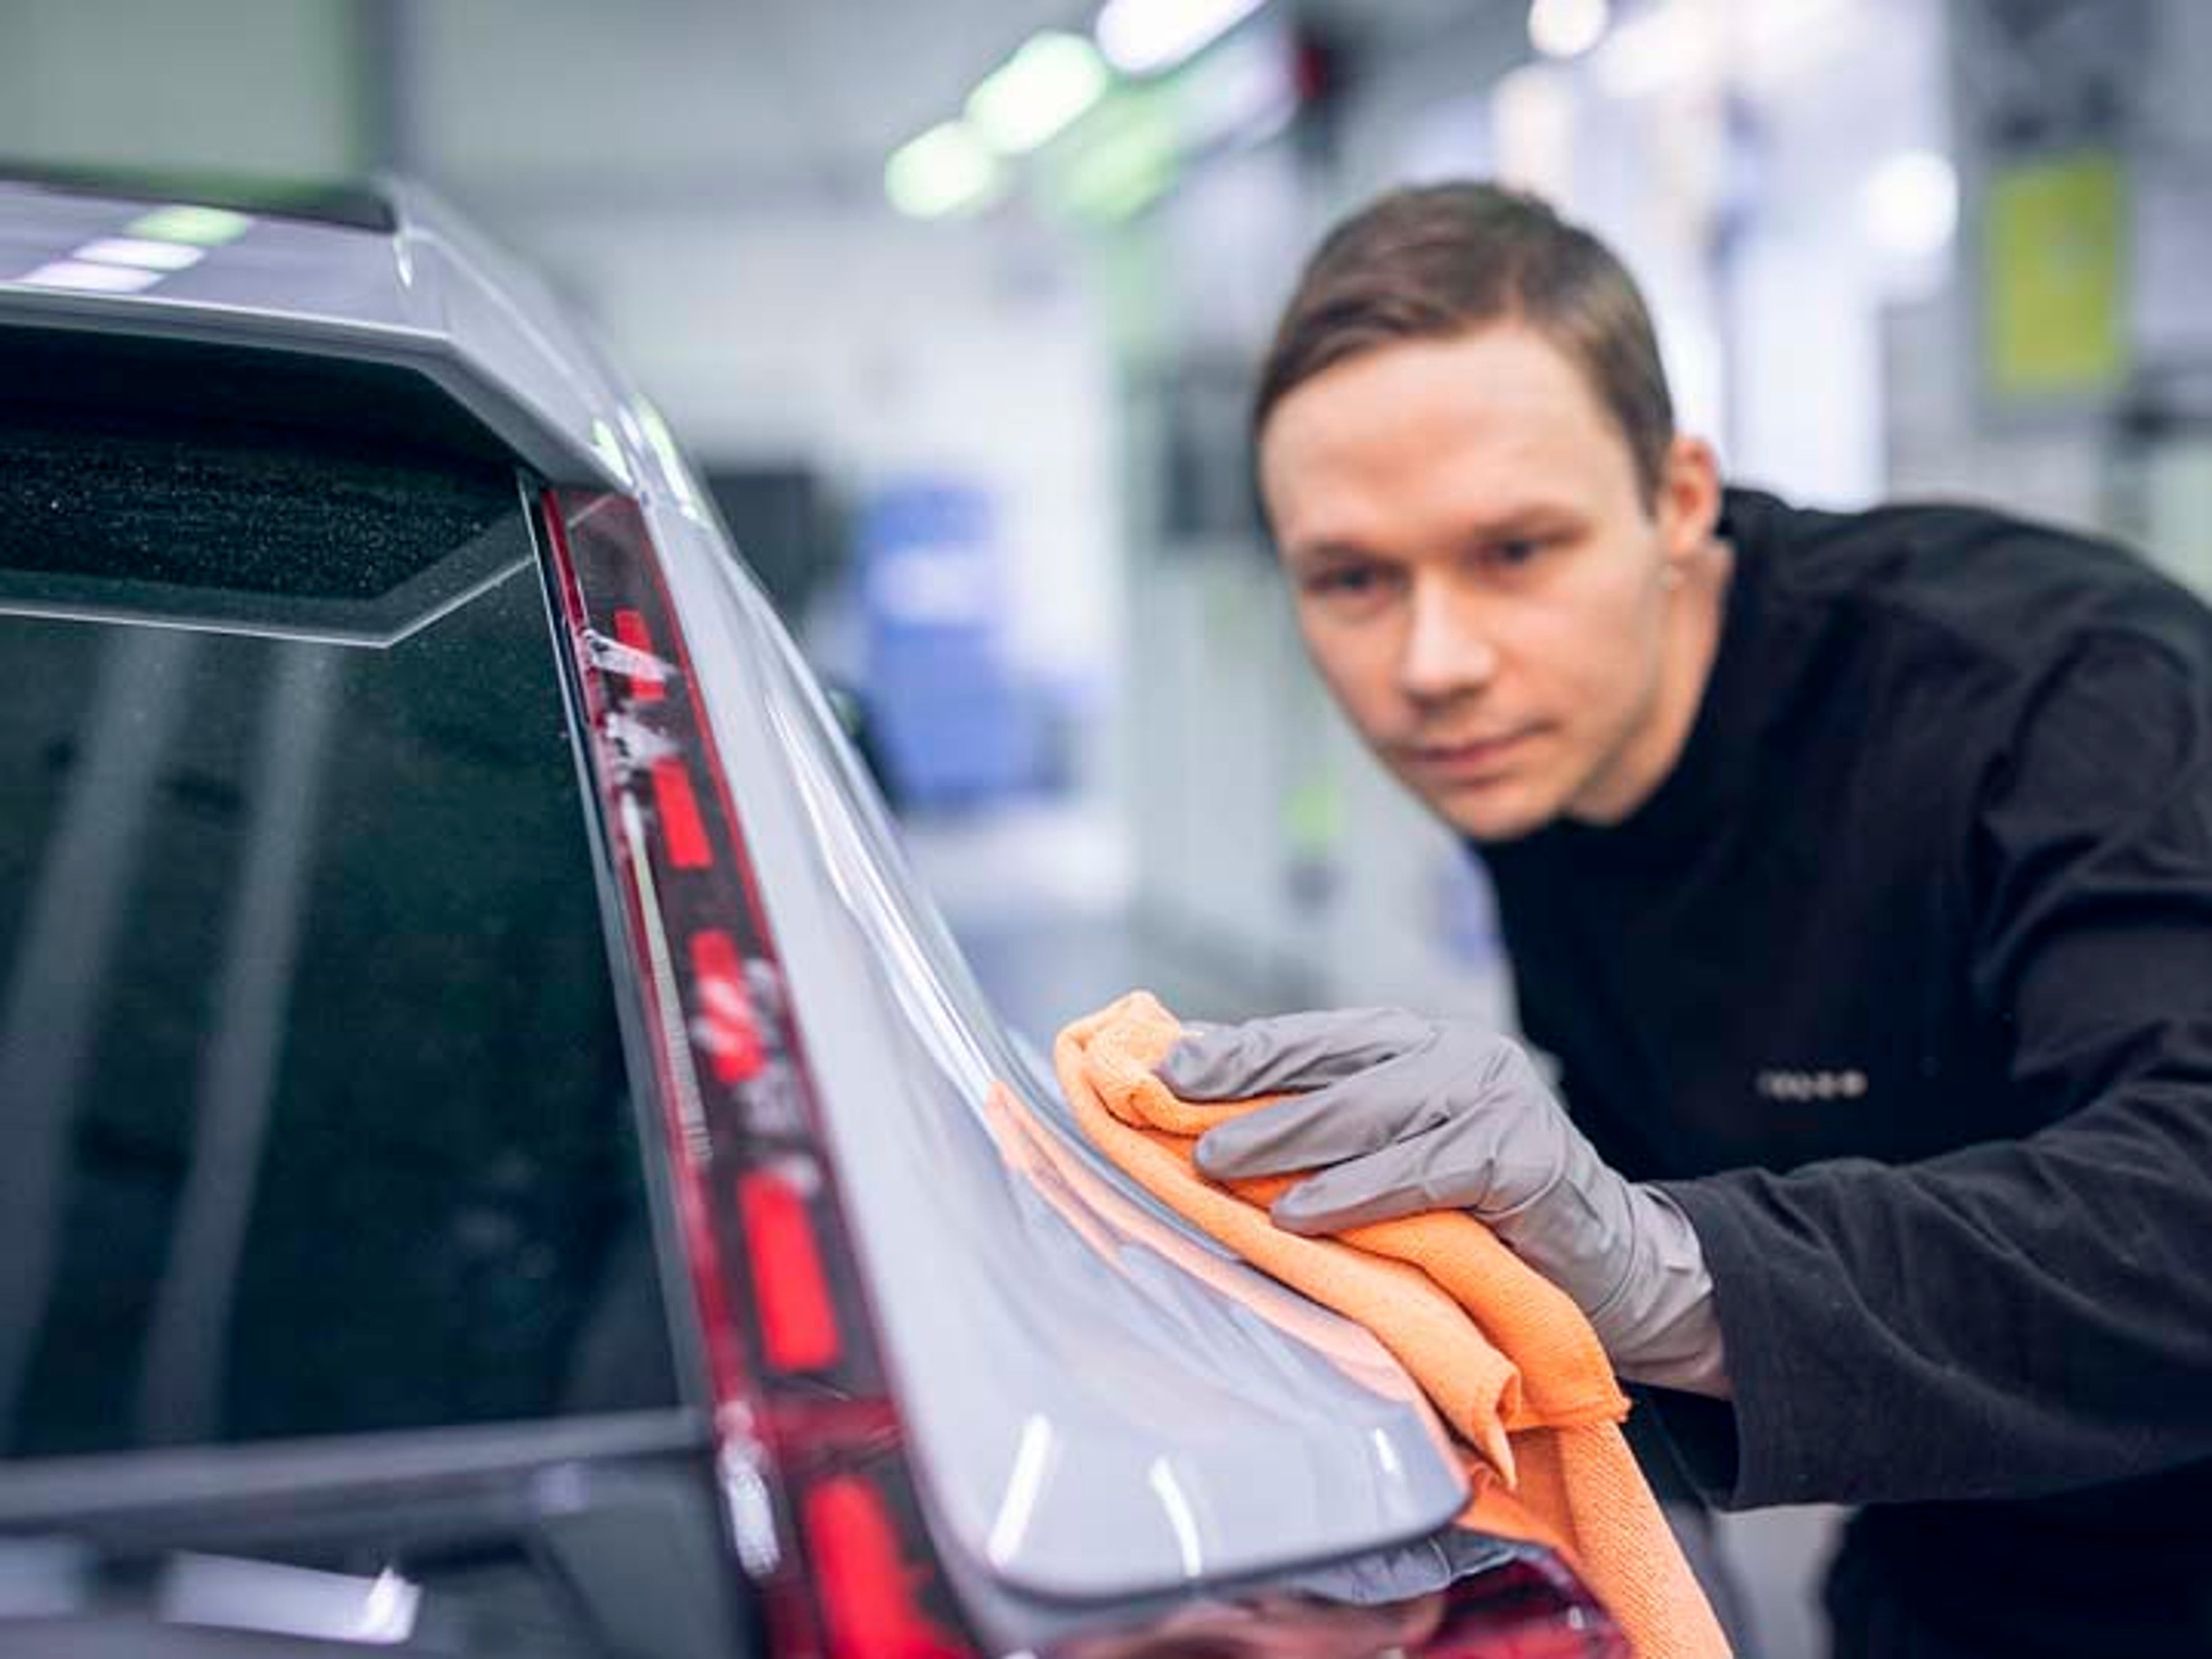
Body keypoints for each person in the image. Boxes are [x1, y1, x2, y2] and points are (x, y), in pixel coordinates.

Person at [1154, 181, 2212, 1658]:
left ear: (1679, 501)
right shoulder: (1549, 746)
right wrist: (1454, 1556)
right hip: (1953, 1557)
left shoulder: (2065, 694)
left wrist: (1666, 1269)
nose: (1434, 662)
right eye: (1352, 578)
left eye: (1515, 551)